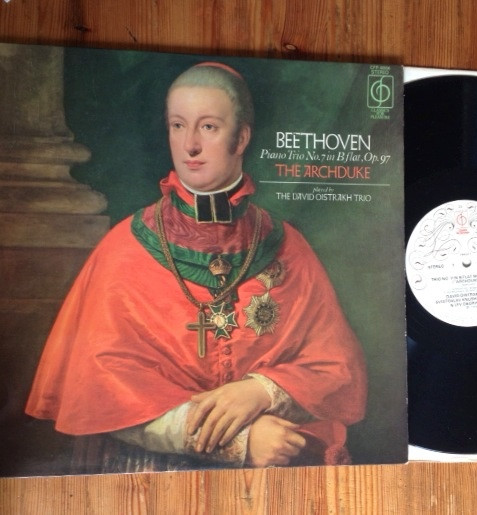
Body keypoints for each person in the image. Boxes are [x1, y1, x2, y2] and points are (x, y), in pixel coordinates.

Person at [25, 62, 367, 472]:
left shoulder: (287, 246)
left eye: (208, 127)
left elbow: (337, 370)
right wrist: (240, 440)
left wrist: (261, 391)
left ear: (241, 138)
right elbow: (103, 391)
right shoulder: (124, 249)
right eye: (178, 126)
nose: (190, 145)